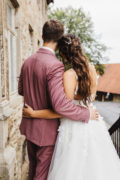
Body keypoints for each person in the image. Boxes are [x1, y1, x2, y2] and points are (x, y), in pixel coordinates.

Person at [23, 34, 120, 180]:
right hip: (94, 126)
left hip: (74, 128)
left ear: (62, 53)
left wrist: (35, 114)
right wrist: (86, 110)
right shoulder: (92, 70)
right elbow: (91, 99)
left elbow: (64, 110)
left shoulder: (69, 75)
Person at [18, 21, 98, 180]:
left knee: (33, 172)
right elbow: (61, 105)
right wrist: (86, 114)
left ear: (42, 36)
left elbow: (21, 90)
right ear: (60, 39)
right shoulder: (56, 66)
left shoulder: (27, 62)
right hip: (46, 133)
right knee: (40, 176)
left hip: (29, 128)